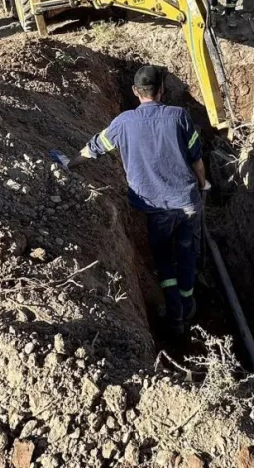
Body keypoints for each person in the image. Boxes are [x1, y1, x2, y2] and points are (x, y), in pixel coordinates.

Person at [67, 65, 206, 334]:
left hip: (155, 208)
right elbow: (197, 161)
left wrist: (69, 164)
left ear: (135, 91)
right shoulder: (180, 116)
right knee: (187, 253)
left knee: (164, 258)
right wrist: (203, 185)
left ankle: (176, 316)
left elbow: (94, 148)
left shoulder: (123, 123)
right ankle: (188, 303)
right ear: (162, 90)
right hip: (187, 202)